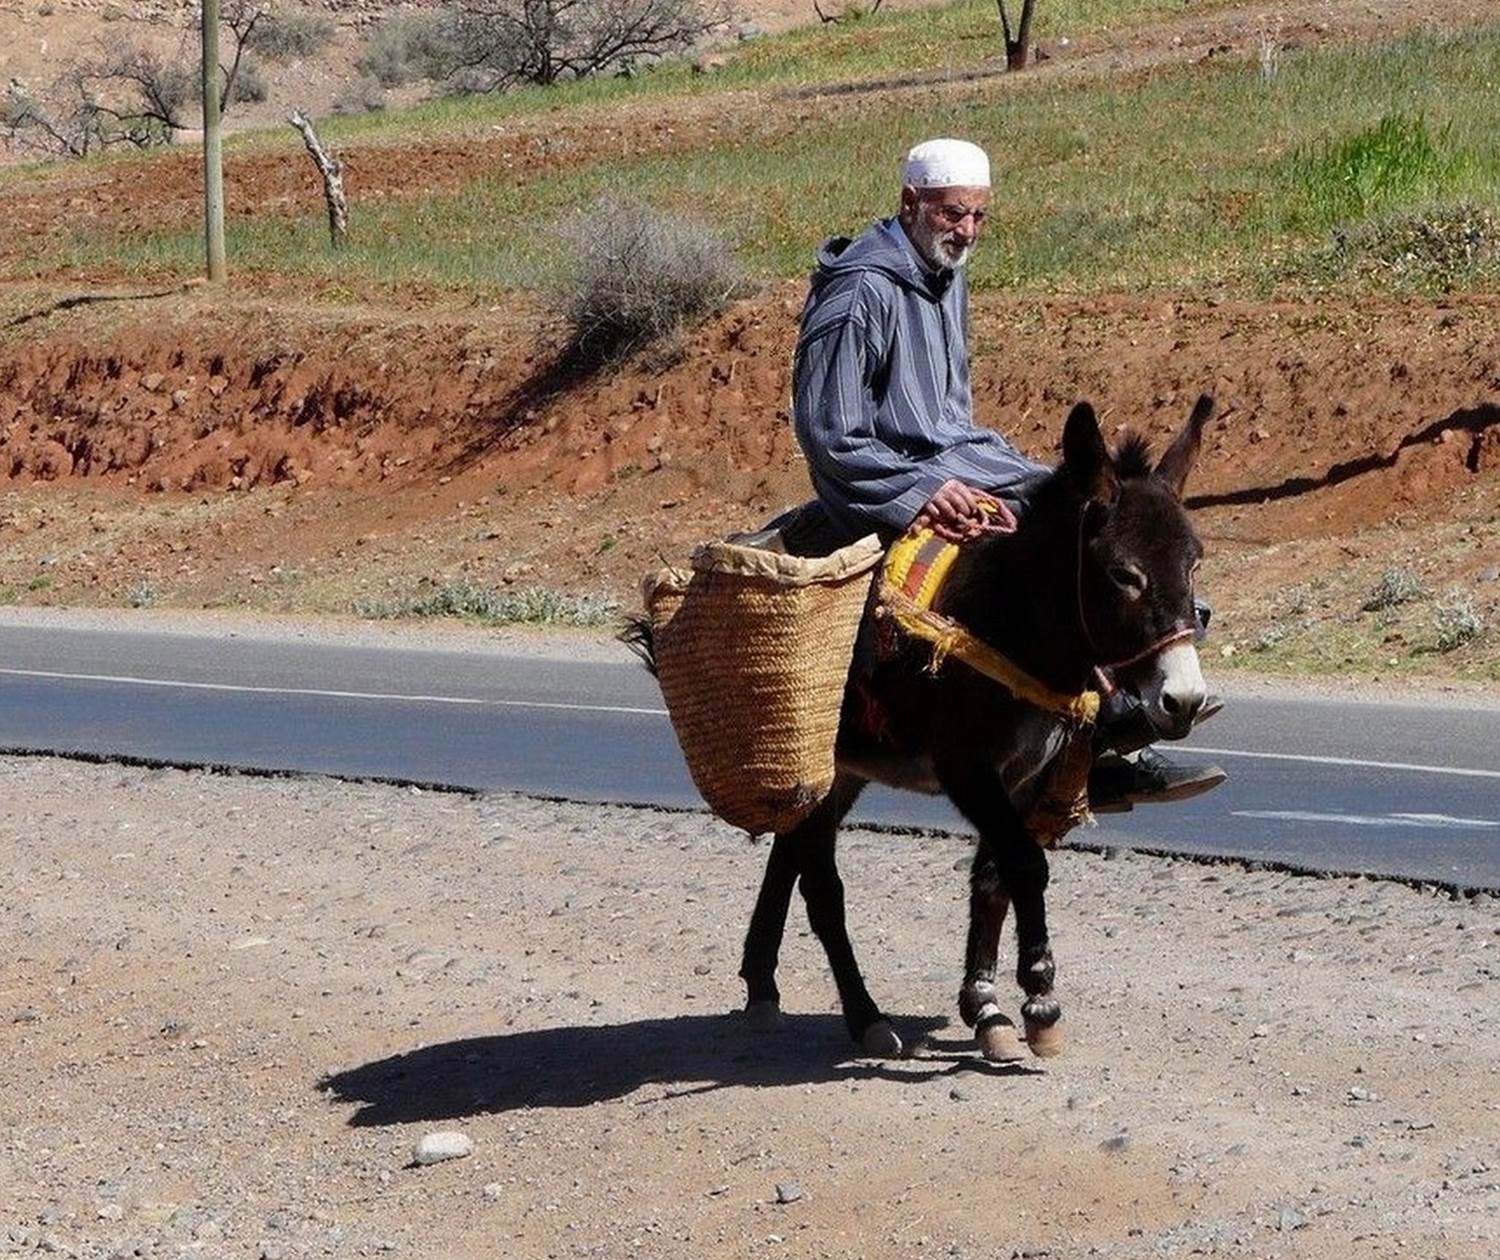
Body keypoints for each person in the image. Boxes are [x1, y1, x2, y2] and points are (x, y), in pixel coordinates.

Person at [788, 136, 1225, 809]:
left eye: (978, 217)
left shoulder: (945, 275)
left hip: (956, 457)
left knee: (1087, 515)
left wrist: (995, 475)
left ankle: (1126, 685)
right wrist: (925, 493)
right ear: (911, 203)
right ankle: (1095, 735)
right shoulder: (859, 293)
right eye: (951, 214)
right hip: (881, 480)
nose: (965, 231)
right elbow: (830, 435)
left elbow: (950, 417)